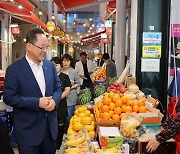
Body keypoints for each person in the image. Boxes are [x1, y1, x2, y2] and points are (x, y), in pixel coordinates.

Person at [3, 28, 62, 154]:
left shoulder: (49, 66)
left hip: (50, 131)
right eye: (42, 47)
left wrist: (54, 102)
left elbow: (58, 88)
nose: (45, 51)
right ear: (29, 46)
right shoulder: (14, 70)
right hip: (28, 132)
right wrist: (37, 102)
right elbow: (9, 97)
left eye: (47, 47)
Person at [51, 57, 71, 150]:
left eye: (56, 65)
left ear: (60, 65)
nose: (54, 67)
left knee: (60, 128)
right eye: (52, 65)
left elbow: (67, 90)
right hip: (49, 106)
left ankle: (57, 147)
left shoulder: (64, 77)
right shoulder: (47, 76)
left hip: (61, 106)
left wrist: (56, 99)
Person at [61, 54, 80, 119]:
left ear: (70, 62)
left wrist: (69, 87)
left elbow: (78, 83)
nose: (66, 63)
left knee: (69, 116)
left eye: (67, 61)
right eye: (64, 61)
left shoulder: (74, 71)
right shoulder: (59, 71)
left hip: (71, 97)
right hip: (61, 97)